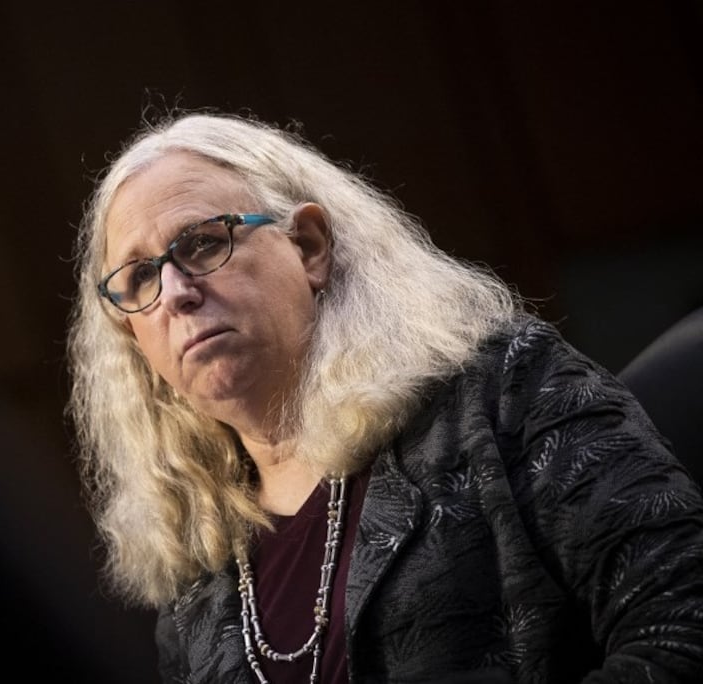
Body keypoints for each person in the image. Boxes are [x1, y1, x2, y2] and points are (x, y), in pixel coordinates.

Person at [65, 109, 703, 683]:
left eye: (202, 243)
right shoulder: (196, 582)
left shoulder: (501, 391)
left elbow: (681, 627)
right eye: (141, 274)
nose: (174, 291)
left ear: (309, 247)